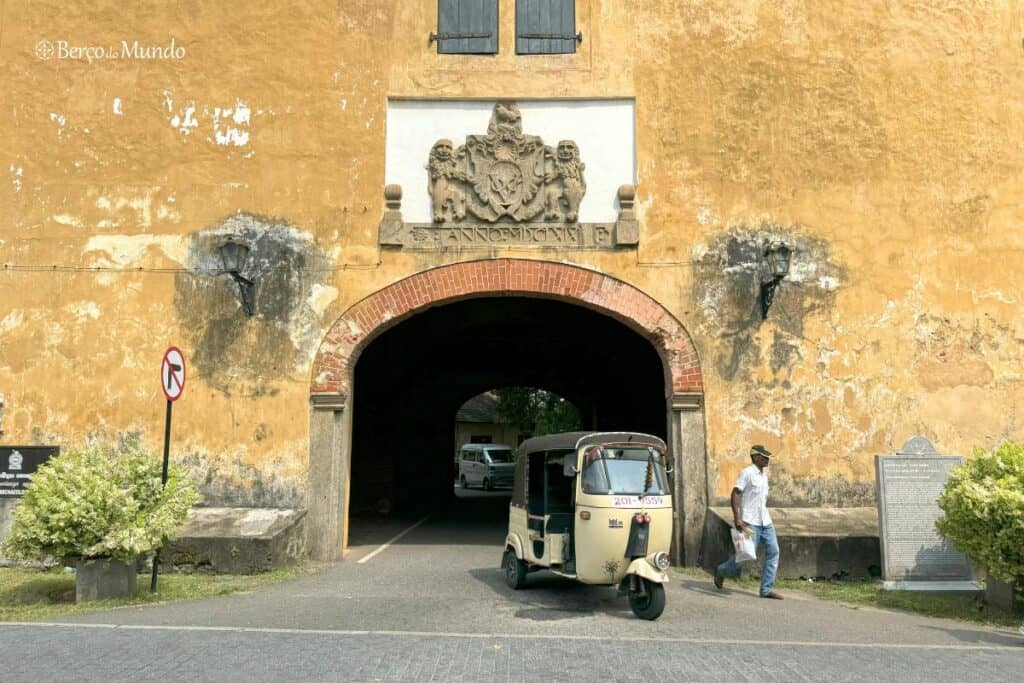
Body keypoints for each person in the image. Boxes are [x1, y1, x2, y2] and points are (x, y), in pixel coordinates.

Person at [714, 444, 783, 599]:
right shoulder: (747, 473)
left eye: (767, 456)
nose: (767, 459)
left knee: (774, 552)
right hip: (750, 521)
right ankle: (721, 570)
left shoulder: (763, 475)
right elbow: (736, 494)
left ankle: (765, 590)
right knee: (745, 555)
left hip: (765, 521)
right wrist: (737, 518)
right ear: (755, 457)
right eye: (764, 456)